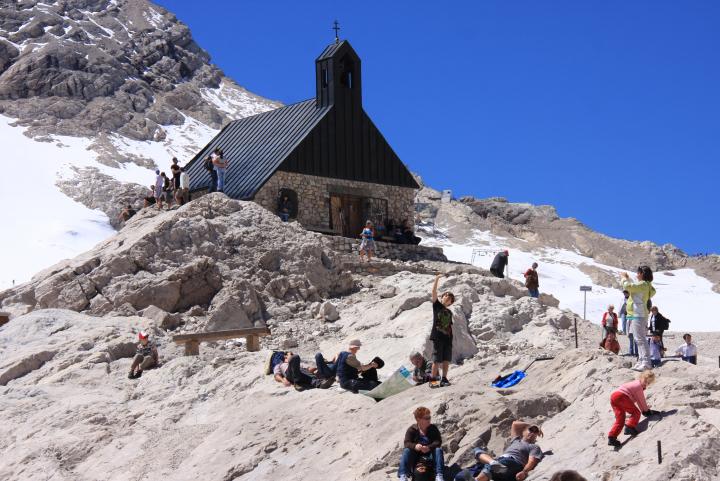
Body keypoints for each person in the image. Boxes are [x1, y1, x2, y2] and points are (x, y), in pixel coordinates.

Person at [454, 421, 544, 481]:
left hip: (513, 463)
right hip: (498, 462)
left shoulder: (534, 447)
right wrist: (531, 425)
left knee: (496, 465)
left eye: (535, 433)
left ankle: (478, 478)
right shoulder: (516, 440)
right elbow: (514, 424)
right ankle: (492, 462)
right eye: (531, 430)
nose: (532, 433)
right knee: (476, 451)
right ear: (524, 431)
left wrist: (524, 472)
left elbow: (531, 462)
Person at [607, 370, 659, 447]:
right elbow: (641, 400)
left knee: (620, 419)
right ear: (641, 377)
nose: (646, 383)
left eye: (648, 383)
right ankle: (629, 427)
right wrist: (646, 411)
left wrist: (645, 410)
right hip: (621, 396)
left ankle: (612, 437)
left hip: (614, 397)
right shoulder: (638, 386)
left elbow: (638, 400)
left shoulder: (635, 383)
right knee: (636, 412)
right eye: (645, 381)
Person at [621, 266, 656, 371]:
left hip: (638, 314)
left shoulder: (643, 285)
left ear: (641, 273)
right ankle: (641, 360)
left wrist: (623, 278)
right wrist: (628, 279)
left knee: (640, 339)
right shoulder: (645, 285)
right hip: (640, 314)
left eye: (638, 273)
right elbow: (634, 287)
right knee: (638, 339)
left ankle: (646, 362)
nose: (636, 275)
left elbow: (628, 286)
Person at [398, 406, 445, 481]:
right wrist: (415, 446)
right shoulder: (412, 430)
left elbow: (438, 441)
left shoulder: (433, 428)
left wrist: (429, 447)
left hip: (430, 455)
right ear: (418, 419)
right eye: (426, 418)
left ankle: (439, 475)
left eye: (429, 417)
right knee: (407, 450)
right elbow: (407, 443)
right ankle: (403, 475)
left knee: (438, 450)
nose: (429, 420)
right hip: (416, 457)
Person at [430, 273, 455, 387]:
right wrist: (437, 279)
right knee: (436, 360)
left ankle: (444, 378)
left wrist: (450, 339)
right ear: (442, 297)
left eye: (450, 298)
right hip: (438, 337)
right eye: (446, 295)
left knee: (446, 359)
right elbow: (433, 293)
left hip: (447, 338)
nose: (447, 297)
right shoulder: (437, 306)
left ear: (451, 303)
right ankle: (433, 380)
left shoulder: (449, 312)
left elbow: (449, 326)